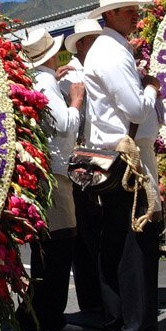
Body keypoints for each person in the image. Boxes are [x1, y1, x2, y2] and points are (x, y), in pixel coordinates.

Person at [82, 0, 166, 331]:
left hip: (117, 152)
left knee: (116, 240)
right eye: (126, 11)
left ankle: (118, 322)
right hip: (129, 155)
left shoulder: (107, 49)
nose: (134, 15)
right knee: (137, 240)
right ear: (109, 15)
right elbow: (137, 110)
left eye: (133, 9)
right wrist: (152, 87)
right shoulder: (111, 53)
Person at [16, 28, 86, 331]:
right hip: (56, 172)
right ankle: (35, 319)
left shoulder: (41, 80)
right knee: (57, 245)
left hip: (51, 170)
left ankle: (48, 315)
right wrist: (76, 100)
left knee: (57, 245)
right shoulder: (45, 83)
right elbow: (63, 124)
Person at [59, 17, 104, 313]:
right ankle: (96, 299)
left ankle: (94, 299)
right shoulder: (74, 76)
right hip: (85, 159)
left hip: (88, 158)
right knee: (91, 231)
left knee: (89, 231)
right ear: (84, 44)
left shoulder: (77, 73)